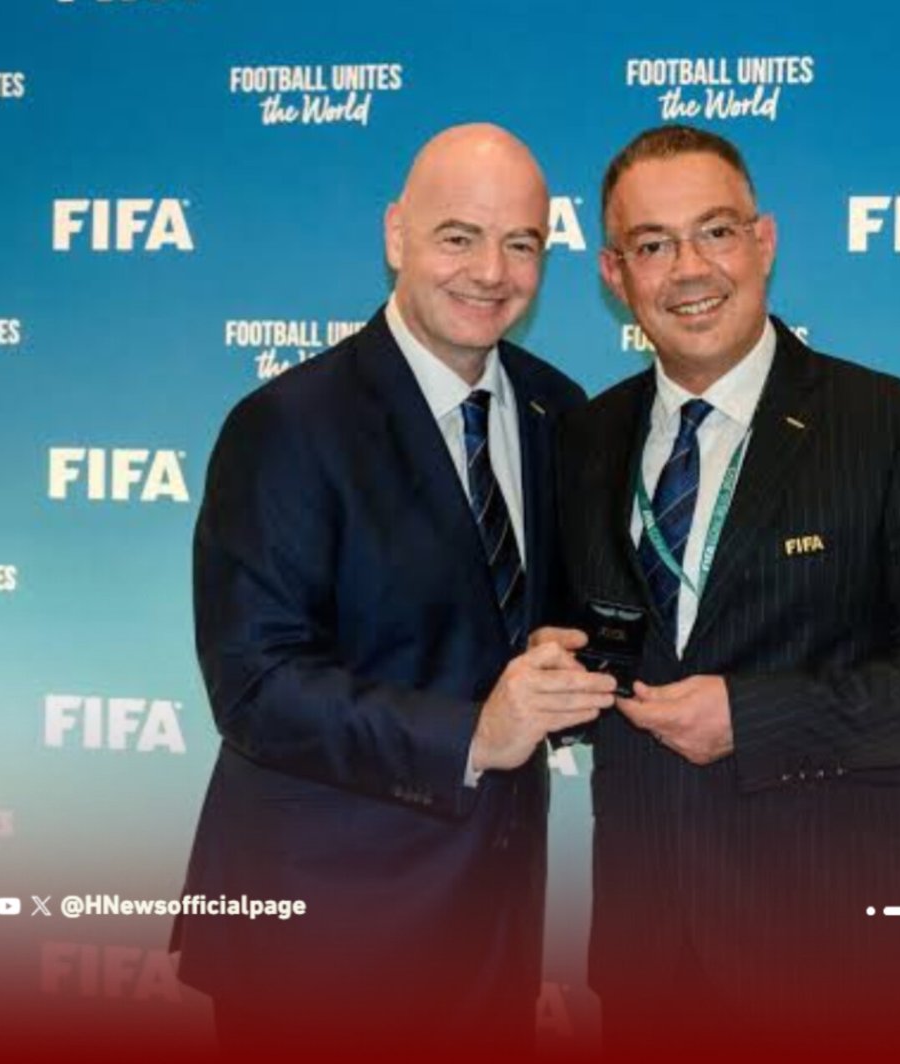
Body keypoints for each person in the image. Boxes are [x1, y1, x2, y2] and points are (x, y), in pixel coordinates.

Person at [557, 124, 900, 1055]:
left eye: (715, 232)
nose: (689, 269)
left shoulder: (894, 424)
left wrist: (753, 717)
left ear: (763, 242)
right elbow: (600, 647)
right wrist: (556, 672)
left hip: (844, 955)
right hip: (648, 954)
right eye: (653, 245)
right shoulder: (585, 437)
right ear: (617, 275)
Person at [171, 123, 616, 1058]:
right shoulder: (287, 425)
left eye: (522, 243)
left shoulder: (558, 410)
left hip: (493, 932)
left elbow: (552, 636)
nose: (491, 271)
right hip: (319, 940)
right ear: (395, 237)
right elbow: (255, 686)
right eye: (459, 236)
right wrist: (475, 734)